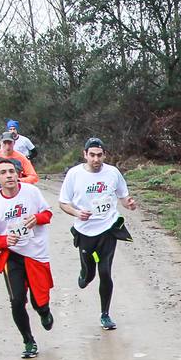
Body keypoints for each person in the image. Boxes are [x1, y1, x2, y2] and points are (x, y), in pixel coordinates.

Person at [58, 137, 136, 330]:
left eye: (99, 155)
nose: (96, 159)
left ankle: (105, 314)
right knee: (90, 275)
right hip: (85, 231)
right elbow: (63, 203)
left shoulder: (113, 173)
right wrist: (77, 213)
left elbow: (123, 197)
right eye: (92, 155)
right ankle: (85, 273)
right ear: (85, 155)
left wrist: (129, 204)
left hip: (108, 228)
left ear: (105, 155)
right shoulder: (74, 175)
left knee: (105, 271)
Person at [0, 158, 55, 358]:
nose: (9, 176)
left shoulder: (31, 192)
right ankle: (28, 340)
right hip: (12, 255)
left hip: (36, 252)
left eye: (12, 172)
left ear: (18, 174)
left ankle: (44, 311)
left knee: (38, 300)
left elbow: (48, 213)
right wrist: (4, 240)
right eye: (4, 173)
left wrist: (37, 218)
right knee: (16, 300)